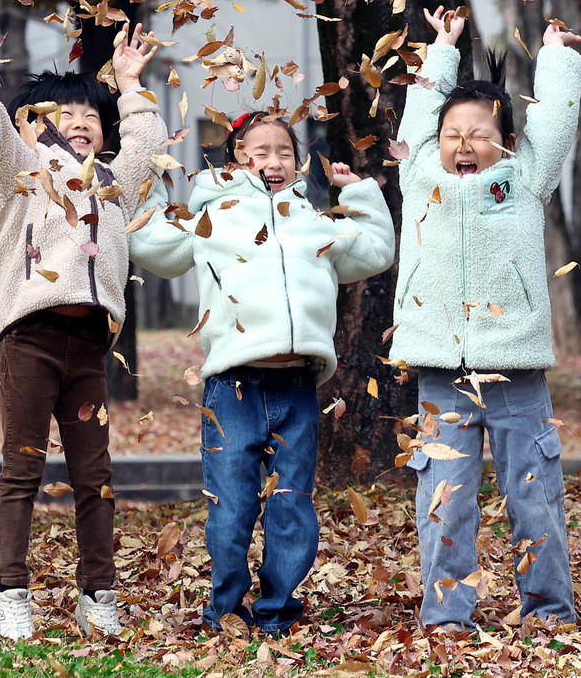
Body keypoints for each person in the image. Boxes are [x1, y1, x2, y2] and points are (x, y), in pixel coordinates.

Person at [129, 111, 395, 637]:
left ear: (297, 165)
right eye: (259, 150)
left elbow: (376, 251)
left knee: (291, 507)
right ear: (235, 160)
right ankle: (226, 609)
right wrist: (152, 191)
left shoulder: (313, 222)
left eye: (284, 152)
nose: (273, 160)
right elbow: (151, 244)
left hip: (297, 387)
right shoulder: (213, 216)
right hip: (233, 387)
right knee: (230, 509)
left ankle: (277, 610)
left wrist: (360, 193)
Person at [0, 23, 168, 640]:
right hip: (29, 339)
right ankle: (7, 590)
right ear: (33, 125)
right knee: (23, 466)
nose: (79, 121)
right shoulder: (22, 171)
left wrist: (128, 85)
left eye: (91, 114)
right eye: (62, 112)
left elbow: (146, 152)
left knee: (95, 477)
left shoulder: (111, 185)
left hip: (89, 348)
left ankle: (98, 594)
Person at [393, 7, 581, 630]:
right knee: (444, 503)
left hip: (516, 372)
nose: (464, 145)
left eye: (479, 133)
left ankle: (550, 610)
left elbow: (553, 124)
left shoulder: (526, 178)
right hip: (440, 373)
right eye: (454, 133)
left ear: (504, 140)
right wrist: (441, 49)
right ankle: (448, 616)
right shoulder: (420, 176)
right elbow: (417, 118)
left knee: (535, 497)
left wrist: (554, 59)